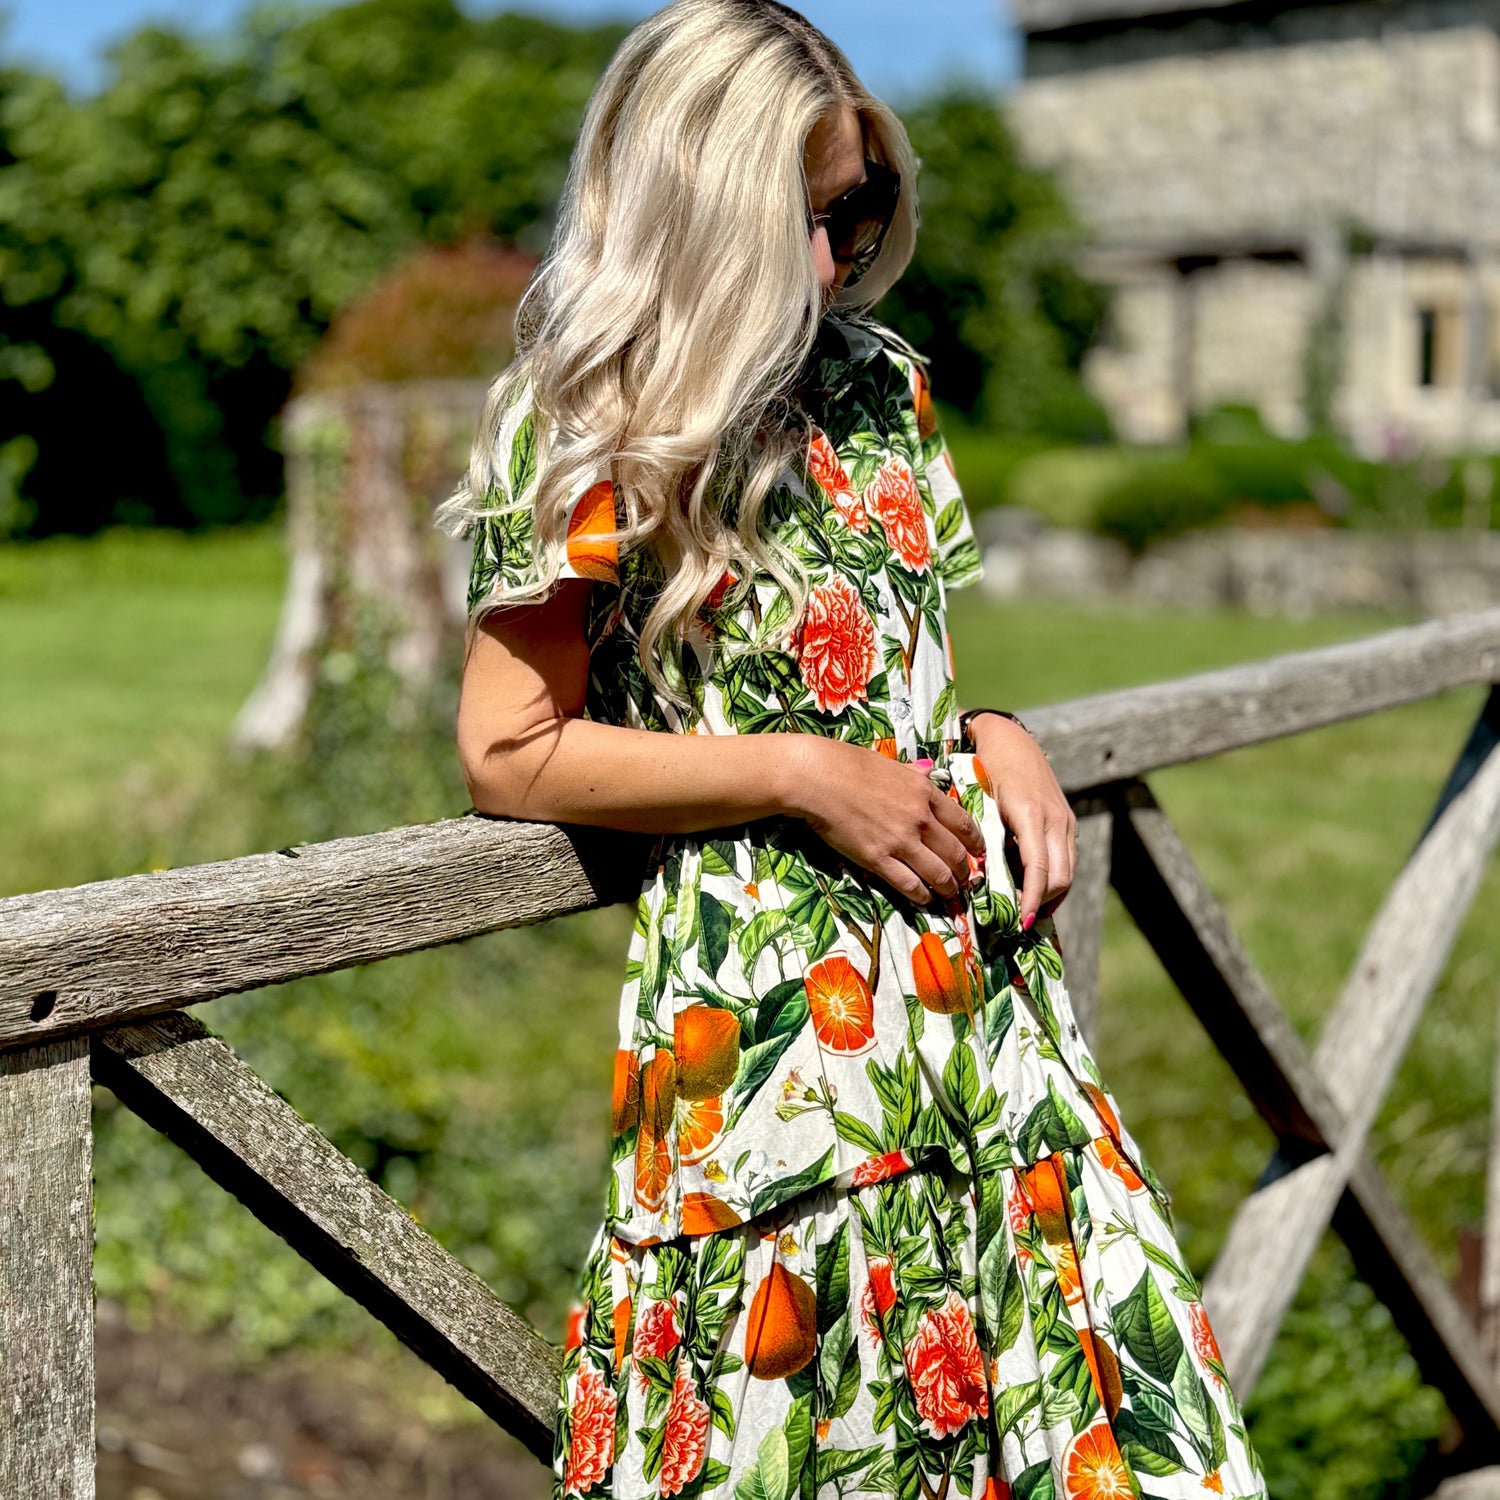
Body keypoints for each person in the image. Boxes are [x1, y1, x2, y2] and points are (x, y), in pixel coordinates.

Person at [439, 2, 1270, 1495]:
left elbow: (894, 677)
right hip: (770, 1073)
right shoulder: (586, 416)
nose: (840, 255)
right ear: (700, 205)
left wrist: (994, 732)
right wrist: (792, 771)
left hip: (987, 1040)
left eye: (863, 206)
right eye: (807, 216)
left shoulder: (883, 385)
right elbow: (509, 752)